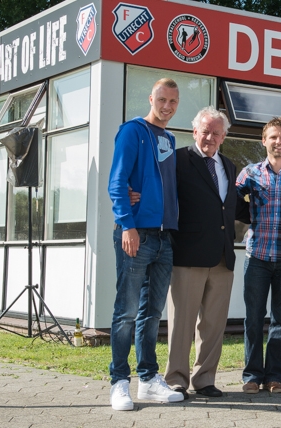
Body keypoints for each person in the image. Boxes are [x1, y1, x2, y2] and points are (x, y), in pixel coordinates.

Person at [107, 78, 184, 411]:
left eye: (173, 102)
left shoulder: (169, 137)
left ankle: (149, 380)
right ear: (151, 98)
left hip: (165, 237)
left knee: (151, 315)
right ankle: (119, 382)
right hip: (136, 234)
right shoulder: (132, 131)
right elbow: (117, 182)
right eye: (162, 100)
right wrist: (128, 224)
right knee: (126, 313)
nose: (167, 107)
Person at [164, 106, 243, 399]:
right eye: (205, 131)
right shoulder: (178, 160)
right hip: (187, 255)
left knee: (213, 324)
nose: (210, 137)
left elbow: (227, 207)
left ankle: (205, 378)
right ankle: (176, 379)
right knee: (181, 323)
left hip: (222, 257)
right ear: (195, 131)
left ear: (224, 137)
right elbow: (162, 194)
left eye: (216, 133)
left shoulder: (229, 166)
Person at [236, 117, 281, 394]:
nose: (278, 142)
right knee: (253, 318)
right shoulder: (249, 173)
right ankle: (252, 376)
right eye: (273, 137)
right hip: (257, 257)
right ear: (264, 141)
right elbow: (229, 204)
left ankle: (274, 377)